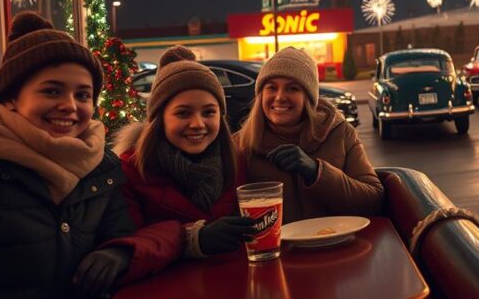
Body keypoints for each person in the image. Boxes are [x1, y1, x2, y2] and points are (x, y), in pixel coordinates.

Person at [0, 12, 136, 299]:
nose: (70, 105)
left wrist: (118, 252)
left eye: (82, 94)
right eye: (52, 91)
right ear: (12, 98)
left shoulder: (100, 165)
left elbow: (121, 232)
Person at [109, 46, 256, 279]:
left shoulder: (236, 161)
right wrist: (193, 239)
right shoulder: (130, 170)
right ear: (159, 119)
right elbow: (129, 247)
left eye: (209, 112)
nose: (198, 123)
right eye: (183, 113)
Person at [235, 47, 383, 222]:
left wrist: (316, 172)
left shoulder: (340, 132)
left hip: (337, 245)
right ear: (261, 94)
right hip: (277, 249)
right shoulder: (239, 145)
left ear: (308, 97)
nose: (280, 97)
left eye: (292, 88)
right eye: (271, 88)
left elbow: (374, 201)